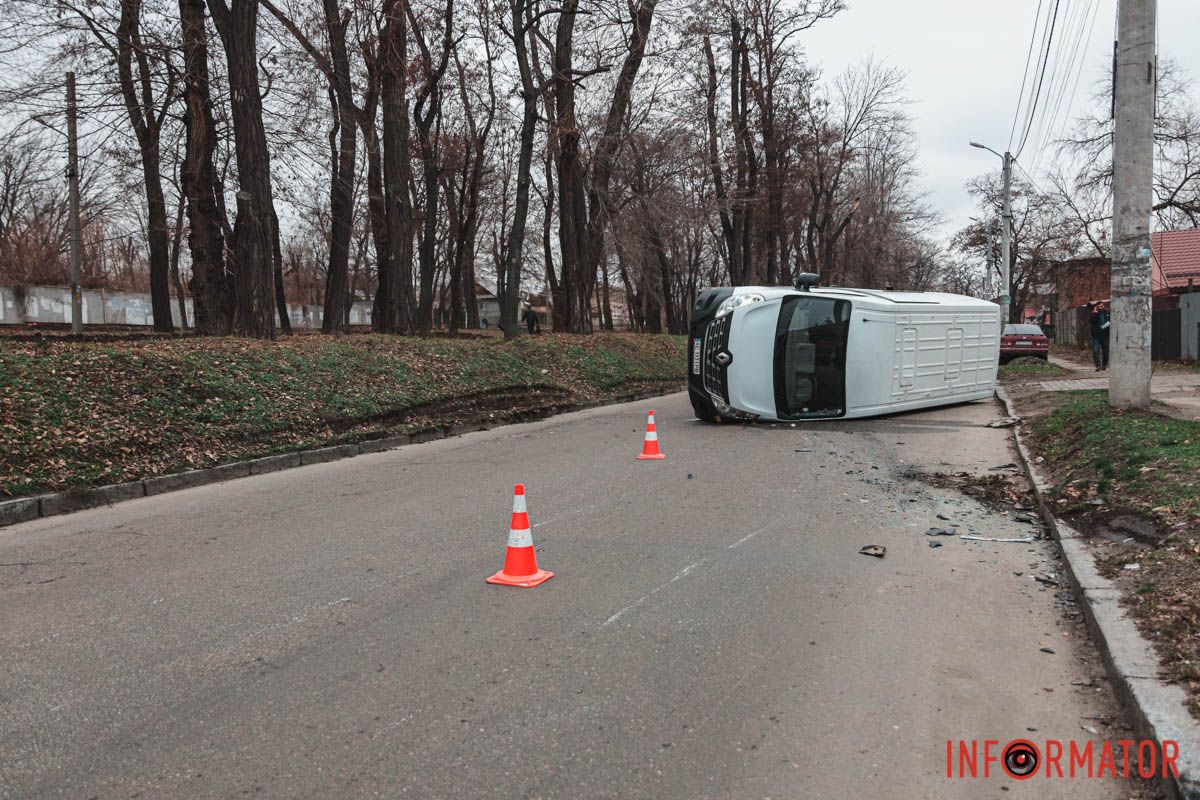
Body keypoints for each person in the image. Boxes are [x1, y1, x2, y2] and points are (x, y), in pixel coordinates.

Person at [1088, 300, 1110, 371]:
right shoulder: (1094, 313)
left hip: (1105, 335)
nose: (1100, 307)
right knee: (1095, 350)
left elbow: (1110, 321)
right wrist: (1095, 312)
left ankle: (1104, 365)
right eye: (1099, 306)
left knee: (1106, 351)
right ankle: (1098, 366)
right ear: (1096, 307)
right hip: (1096, 336)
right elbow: (1091, 321)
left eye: (1101, 306)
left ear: (1103, 305)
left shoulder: (1107, 312)